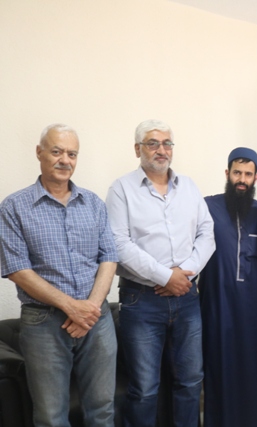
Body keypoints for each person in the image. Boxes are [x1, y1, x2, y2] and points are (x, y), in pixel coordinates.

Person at [0, 124, 119, 426]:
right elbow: (17, 269)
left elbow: (109, 257)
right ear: (39, 152)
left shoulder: (93, 203)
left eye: (72, 154)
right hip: (44, 323)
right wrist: (72, 307)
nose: (65, 160)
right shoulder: (13, 206)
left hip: (97, 319)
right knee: (51, 416)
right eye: (56, 151)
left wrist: (89, 309)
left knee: (103, 410)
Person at [105, 119, 215, 427]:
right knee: (144, 389)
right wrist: (166, 277)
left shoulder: (189, 186)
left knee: (191, 381)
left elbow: (207, 233)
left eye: (167, 143)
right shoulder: (121, 189)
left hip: (187, 297)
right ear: (137, 149)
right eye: (152, 143)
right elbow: (119, 244)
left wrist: (184, 274)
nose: (161, 150)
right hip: (142, 300)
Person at [199, 147, 257, 427]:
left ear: (256, 178)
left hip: (254, 306)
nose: (242, 179)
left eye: (248, 174)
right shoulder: (208, 206)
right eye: (237, 173)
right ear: (227, 173)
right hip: (218, 303)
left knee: (252, 367)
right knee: (220, 366)